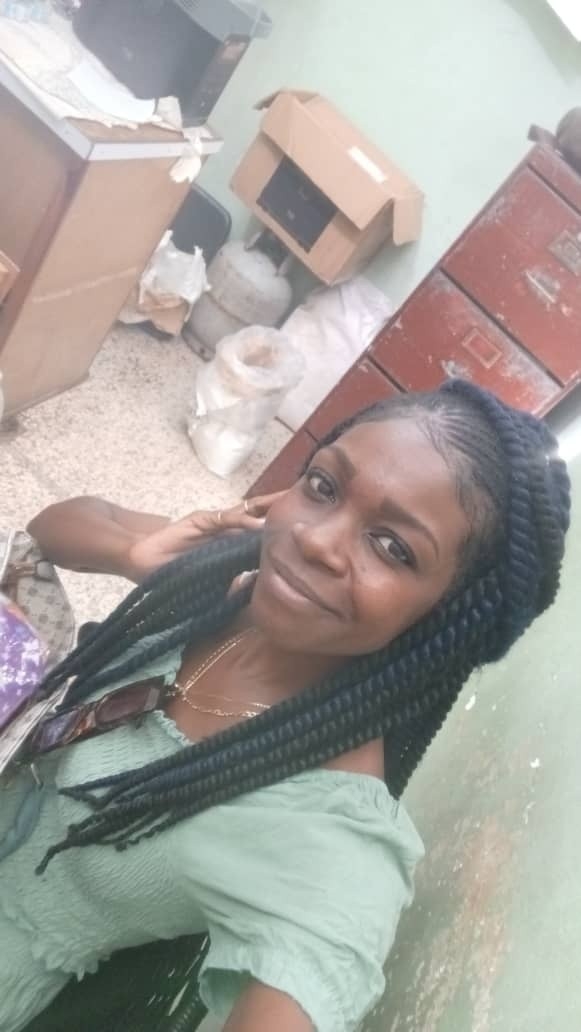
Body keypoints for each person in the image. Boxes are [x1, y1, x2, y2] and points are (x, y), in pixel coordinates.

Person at [0, 380, 571, 1032]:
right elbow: (51, 529)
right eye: (324, 487)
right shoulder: (228, 592)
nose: (318, 541)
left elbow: (322, 961)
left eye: (393, 547)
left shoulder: (327, 834)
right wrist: (132, 555)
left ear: (447, 617)